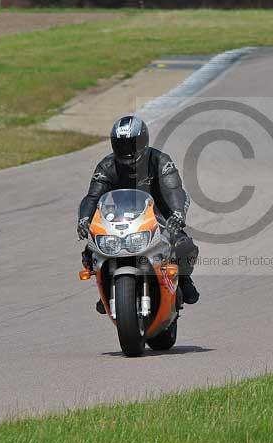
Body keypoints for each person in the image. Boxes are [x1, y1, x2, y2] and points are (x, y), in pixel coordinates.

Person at [77, 115, 199, 312]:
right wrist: (84, 219)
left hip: (158, 215)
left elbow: (174, 190)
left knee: (183, 245)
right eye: (121, 145)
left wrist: (177, 214)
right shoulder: (106, 166)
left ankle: (184, 280)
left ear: (143, 141)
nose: (126, 150)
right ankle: (107, 286)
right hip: (119, 217)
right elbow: (92, 197)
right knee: (91, 250)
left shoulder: (159, 161)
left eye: (131, 144)